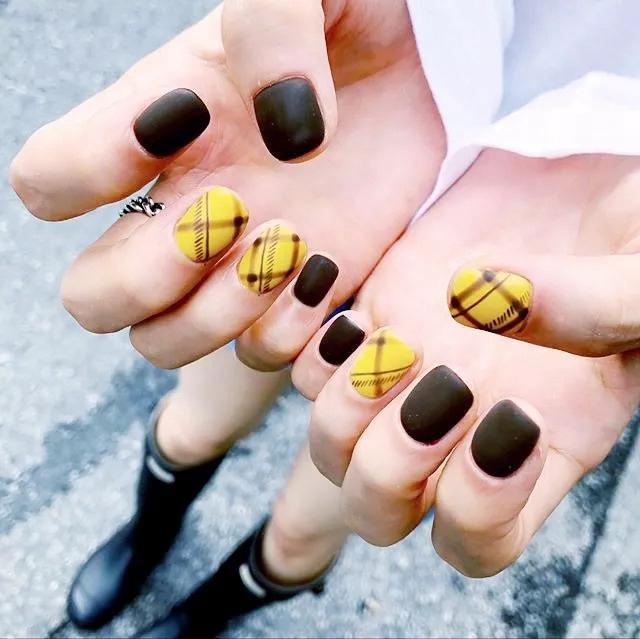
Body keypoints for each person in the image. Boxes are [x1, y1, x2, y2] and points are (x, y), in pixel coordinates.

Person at [11, 0, 640, 636]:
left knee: (328, 507)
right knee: (196, 425)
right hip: (355, 145)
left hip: (552, 220)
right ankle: (149, 531)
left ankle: (209, 611)